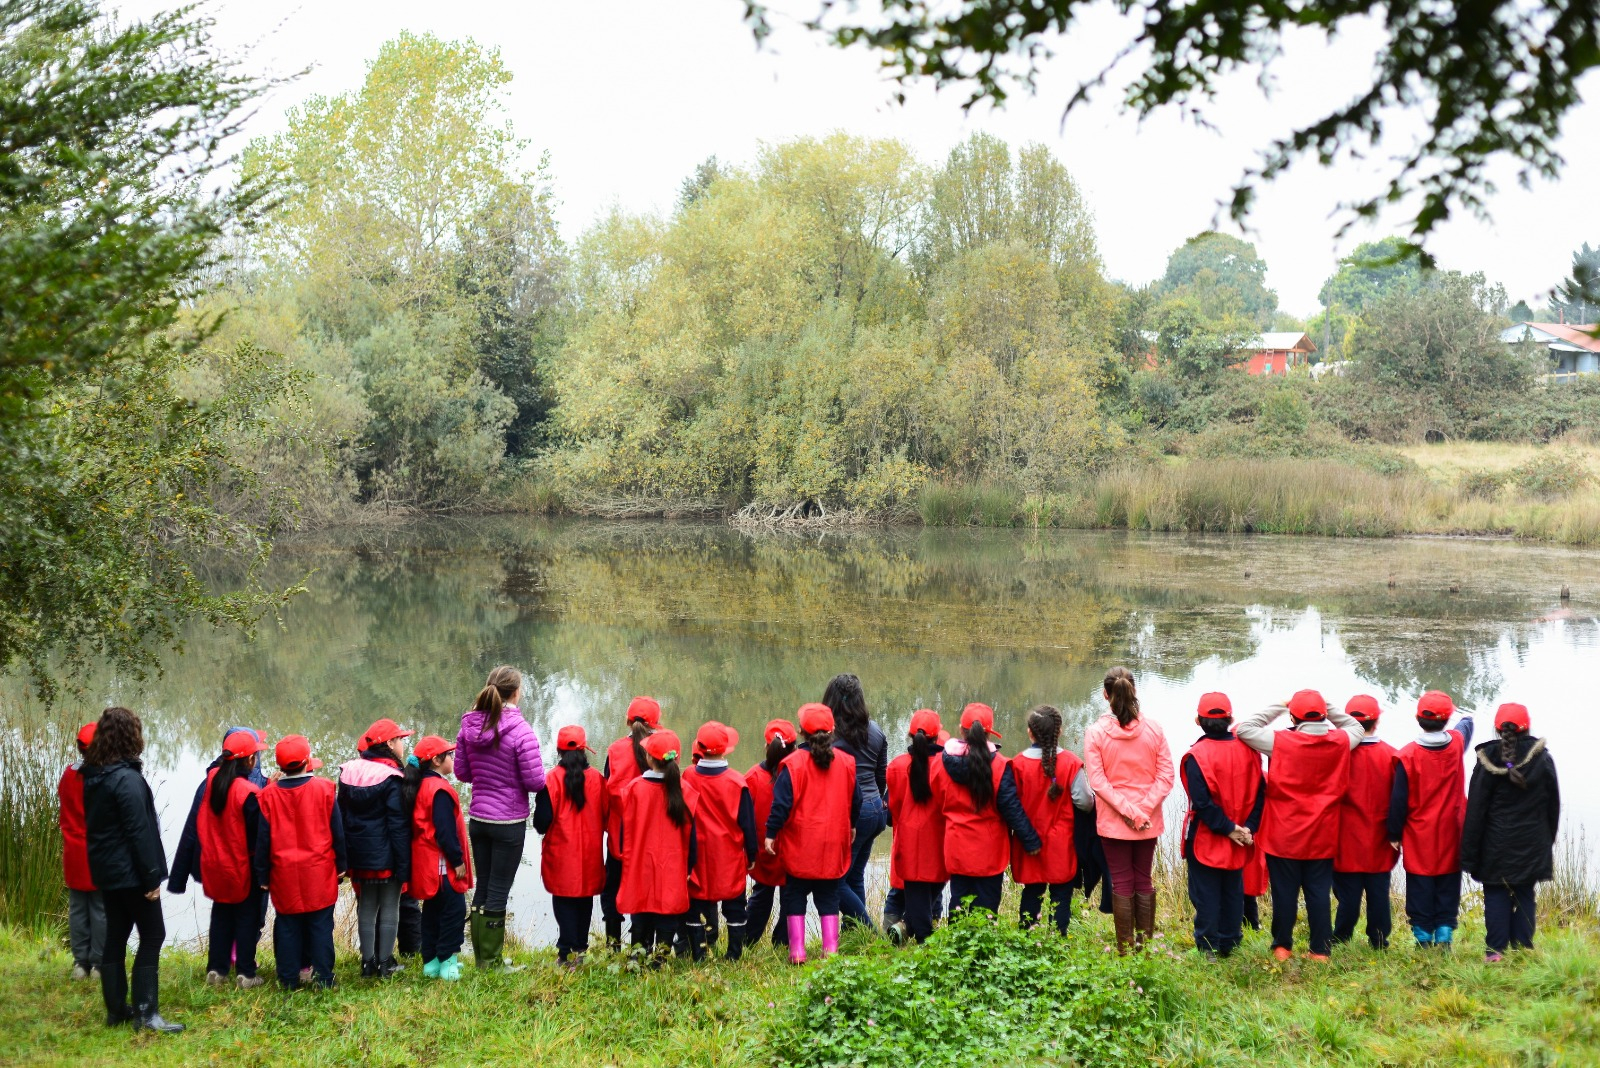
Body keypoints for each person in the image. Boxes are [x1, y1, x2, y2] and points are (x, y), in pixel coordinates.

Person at [1235, 689, 1363, 961]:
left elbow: (1244, 729)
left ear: (1294, 717)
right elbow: (1355, 726)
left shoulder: (1279, 742)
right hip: (1323, 832)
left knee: (1285, 893)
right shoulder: (1340, 741)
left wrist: (1280, 704)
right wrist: (1326, 703)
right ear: (1324, 716)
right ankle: (1320, 950)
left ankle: (1282, 946)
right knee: (1318, 893)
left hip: (1284, 833)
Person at [81, 707, 180, 1033]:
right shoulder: (127, 779)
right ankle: (146, 1014)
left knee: (116, 937)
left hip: (108, 873)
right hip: (132, 874)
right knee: (154, 935)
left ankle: (116, 1011)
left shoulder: (95, 776)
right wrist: (151, 878)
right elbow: (140, 832)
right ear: (130, 737)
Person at [455, 665, 544, 969]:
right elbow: (535, 782)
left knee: (483, 886)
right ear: (516, 692)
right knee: (498, 891)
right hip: (508, 823)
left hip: (479, 819)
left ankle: (481, 956)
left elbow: (462, 772)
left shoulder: (469, 725)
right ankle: (490, 962)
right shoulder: (521, 731)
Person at [1460, 703, 1561, 962]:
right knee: (1525, 893)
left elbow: (1476, 813)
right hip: (1532, 842)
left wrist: (1469, 855)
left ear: (1497, 728)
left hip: (1495, 845)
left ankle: (1495, 952)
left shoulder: (1486, 761)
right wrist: (1546, 841)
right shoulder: (1543, 758)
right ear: (1527, 727)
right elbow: (1553, 806)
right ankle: (1523, 948)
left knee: (1496, 894)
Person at [1084, 669, 1175, 953]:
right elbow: (1166, 776)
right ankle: (1144, 948)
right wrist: (1142, 810)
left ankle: (1125, 952)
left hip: (1115, 820)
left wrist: (1128, 811)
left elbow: (1097, 781)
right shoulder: (1154, 729)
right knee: (1143, 878)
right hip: (1146, 821)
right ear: (1134, 691)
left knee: (1122, 880)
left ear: (1105, 695)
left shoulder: (1096, 733)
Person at [765, 703, 862, 964]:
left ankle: (797, 952)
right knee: (829, 896)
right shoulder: (847, 762)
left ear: (800, 732)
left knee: (795, 895)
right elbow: (857, 799)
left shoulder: (792, 764)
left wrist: (771, 832)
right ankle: (830, 952)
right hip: (832, 844)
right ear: (832, 731)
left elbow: (781, 804)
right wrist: (851, 824)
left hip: (800, 843)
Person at [169, 732, 268, 988]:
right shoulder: (247, 792)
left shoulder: (212, 780)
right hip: (241, 867)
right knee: (247, 918)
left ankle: (216, 968)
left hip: (215, 865)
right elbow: (258, 835)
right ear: (248, 761)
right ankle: (246, 973)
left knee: (221, 916)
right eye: (254, 756)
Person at [255, 734, 345, 990]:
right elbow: (337, 833)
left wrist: (262, 875)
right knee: (320, 927)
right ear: (307, 761)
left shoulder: (268, 796)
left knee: (287, 927)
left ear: (281, 766)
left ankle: (287, 979)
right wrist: (342, 866)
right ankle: (325, 978)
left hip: (284, 874)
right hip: (319, 871)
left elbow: (263, 842)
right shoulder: (325, 789)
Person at [1179, 693, 1264, 959]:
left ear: (1197, 721)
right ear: (1231, 719)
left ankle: (1208, 948)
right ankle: (1231, 943)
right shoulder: (1249, 751)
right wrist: (1247, 828)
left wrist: (1229, 828)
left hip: (1207, 836)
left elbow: (1202, 804)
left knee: (1205, 895)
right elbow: (1260, 793)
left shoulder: (1196, 756)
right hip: (1241, 837)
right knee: (1232, 892)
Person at [1389, 690, 1474, 949]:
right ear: (1447, 720)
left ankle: (1423, 937)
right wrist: (1456, 713)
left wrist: (1393, 833)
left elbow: (1398, 800)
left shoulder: (1407, 756)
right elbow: (1468, 723)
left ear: (1417, 719)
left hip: (1419, 833)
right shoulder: (1457, 744)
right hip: (1451, 830)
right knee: (1448, 882)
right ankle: (1444, 934)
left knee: (1420, 885)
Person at [939, 703, 1042, 916]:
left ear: (961, 729)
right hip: (989, 851)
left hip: (957, 847)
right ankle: (983, 948)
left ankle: (955, 948)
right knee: (986, 908)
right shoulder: (1000, 765)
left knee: (958, 903)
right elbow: (1011, 808)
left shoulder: (943, 763)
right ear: (989, 733)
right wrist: (1030, 840)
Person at [337, 718, 413, 979]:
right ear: (390, 743)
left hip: (358, 855)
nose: (403, 744)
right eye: (401, 739)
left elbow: (342, 817)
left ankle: (367, 963)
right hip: (387, 854)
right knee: (390, 906)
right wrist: (405, 865)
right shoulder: (393, 777)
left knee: (366, 907)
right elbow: (398, 826)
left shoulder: (348, 772)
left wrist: (345, 857)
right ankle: (385, 964)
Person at [616, 729, 696, 965]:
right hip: (673, 864)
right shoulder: (685, 791)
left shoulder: (634, 789)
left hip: (640, 862)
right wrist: (690, 865)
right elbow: (693, 835)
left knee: (640, 910)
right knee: (668, 911)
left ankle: (637, 957)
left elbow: (624, 830)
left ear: (649, 758)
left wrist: (624, 856)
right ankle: (660, 959)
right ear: (676, 759)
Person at [1011, 705, 1090, 937]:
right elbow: (1084, 802)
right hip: (1061, 843)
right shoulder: (1071, 763)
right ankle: (1057, 938)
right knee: (1061, 893)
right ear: (1060, 731)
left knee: (1032, 891)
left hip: (1030, 842)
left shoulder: (1017, 764)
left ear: (1029, 732)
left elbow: (1011, 804)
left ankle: (1027, 936)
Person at [534, 726, 609, 966]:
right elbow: (607, 817)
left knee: (564, 898)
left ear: (558, 750)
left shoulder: (550, 780)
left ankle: (564, 953)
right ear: (585, 750)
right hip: (589, 853)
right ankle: (581, 949)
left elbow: (541, 823)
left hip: (561, 853)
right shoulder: (598, 779)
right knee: (584, 899)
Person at [684, 721, 758, 961]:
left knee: (695, 906)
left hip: (697, 855)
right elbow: (748, 824)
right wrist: (753, 855)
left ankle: (699, 953)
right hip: (729, 855)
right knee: (734, 906)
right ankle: (734, 954)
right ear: (726, 750)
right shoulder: (737, 782)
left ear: (700, 748)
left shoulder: (687, 776)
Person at [1332, 695, 1399, 950]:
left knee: (1347, 895)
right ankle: (1379, 939)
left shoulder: (1338, 755)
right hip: (1380, 838)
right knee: (1378, 893)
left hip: (1346, 838)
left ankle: (1341, 937)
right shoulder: (1393, 755)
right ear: (1377, 721)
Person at [823, 673, 889, 929]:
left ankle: (867, 929)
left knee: (835, 881)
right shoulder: (876, 731)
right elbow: (880, 776)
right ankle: (853, 933)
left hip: (851, 814)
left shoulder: (829, 737)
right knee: (855, 876)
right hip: (875, 810)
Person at [406, 736, 473, 980]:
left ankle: (431, 962)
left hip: (426, 866)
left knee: (432, 912)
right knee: (454, 911)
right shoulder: (439, 790)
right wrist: (458, 861)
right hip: (443, 866)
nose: (453, 759)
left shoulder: (418, 785)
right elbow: (445, 831)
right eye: (449, 755)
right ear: (436, 760)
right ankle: (448, 962)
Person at [603, 696, 664, 951]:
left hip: (620, 836)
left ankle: (612, 944)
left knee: (612, 890)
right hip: (650, 837)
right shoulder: (660, 750)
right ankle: (642, 946)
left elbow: (607, 789)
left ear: (628, 721)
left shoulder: (615, 750)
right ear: (656, 724)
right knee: (645, 891)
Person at [885, 710, 949, 944]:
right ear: (937, 736)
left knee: (917, 894)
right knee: (930, 894)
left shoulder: (897, 766)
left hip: (909, 841)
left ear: (911, 736)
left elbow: (894, 807)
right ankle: (923, 941)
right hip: (940, 840)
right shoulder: (946, 766)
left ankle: (915, 934)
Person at [744, 719, 796, 950]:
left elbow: (744, 816)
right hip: (790, 851)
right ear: (794, 747)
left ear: (766, 747)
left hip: (763, 852)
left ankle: (747, 940)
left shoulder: (752, 777)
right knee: (791, 899)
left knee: (760, 897)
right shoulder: (797, 773)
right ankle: (783, 943)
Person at [58, 722, 103, 982]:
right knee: (100, 909)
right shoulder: (104, 777)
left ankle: (79, 963)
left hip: (73, 852)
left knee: (77, 909)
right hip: (98, 852)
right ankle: (98, 964)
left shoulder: (69, 774)